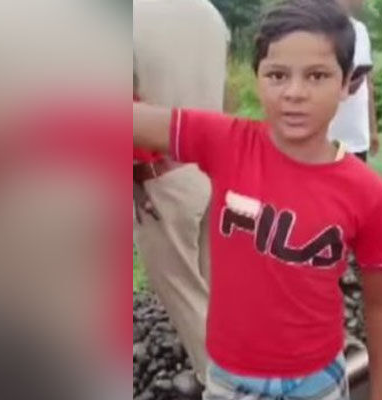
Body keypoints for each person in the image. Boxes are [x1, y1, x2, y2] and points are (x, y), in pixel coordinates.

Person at [134, 0, 382, 399]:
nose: (294, 92)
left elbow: (381, 304)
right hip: (228, 383)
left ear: (349, 82)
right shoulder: (227, 142)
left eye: (317, 76)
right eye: (277, 75)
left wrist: (381, 394)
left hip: (317, 382)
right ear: (257, 77)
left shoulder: (367, 192)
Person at [133, 0, 230, 385]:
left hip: (161, 180)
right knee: (216, 291)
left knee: (187, 297)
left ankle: (226, 386)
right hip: (212, 167)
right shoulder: (208, 12)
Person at [328, 0, 379, 162]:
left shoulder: (361, 30)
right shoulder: (319, 31)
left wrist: (372, 129)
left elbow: (368, 82)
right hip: (328, 137)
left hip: (357, 136)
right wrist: (344, 86)